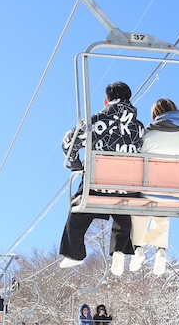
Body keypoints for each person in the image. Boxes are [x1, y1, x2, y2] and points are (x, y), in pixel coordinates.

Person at [59, 81, 145, 276]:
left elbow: (68, 143)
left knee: (79, 210)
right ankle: (120, 249)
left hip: (97, 187)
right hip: (127, 189)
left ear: (106, 101)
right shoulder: (139, 128)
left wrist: (75, 163)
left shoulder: (96, 122)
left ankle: (74, 253)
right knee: (123, 208)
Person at [129, 98, 179, 276]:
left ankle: (137, 247)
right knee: (163, 209)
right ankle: (160, 249)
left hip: (150, 190)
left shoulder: (148, 137)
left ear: (155, 115)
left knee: (140, 205)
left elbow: (136, 161)